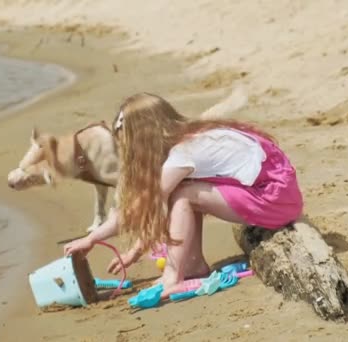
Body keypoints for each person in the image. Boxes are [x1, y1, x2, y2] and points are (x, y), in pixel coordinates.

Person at [63, 92, 303, 297]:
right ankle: (193, 264)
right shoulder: (190, 137)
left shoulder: (183, 154)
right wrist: (135, 251)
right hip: (279, 193)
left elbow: (141, 207)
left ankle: (173, 277)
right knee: (183, 192)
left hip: (274, 200)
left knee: (185, 194)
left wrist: (93, 238)